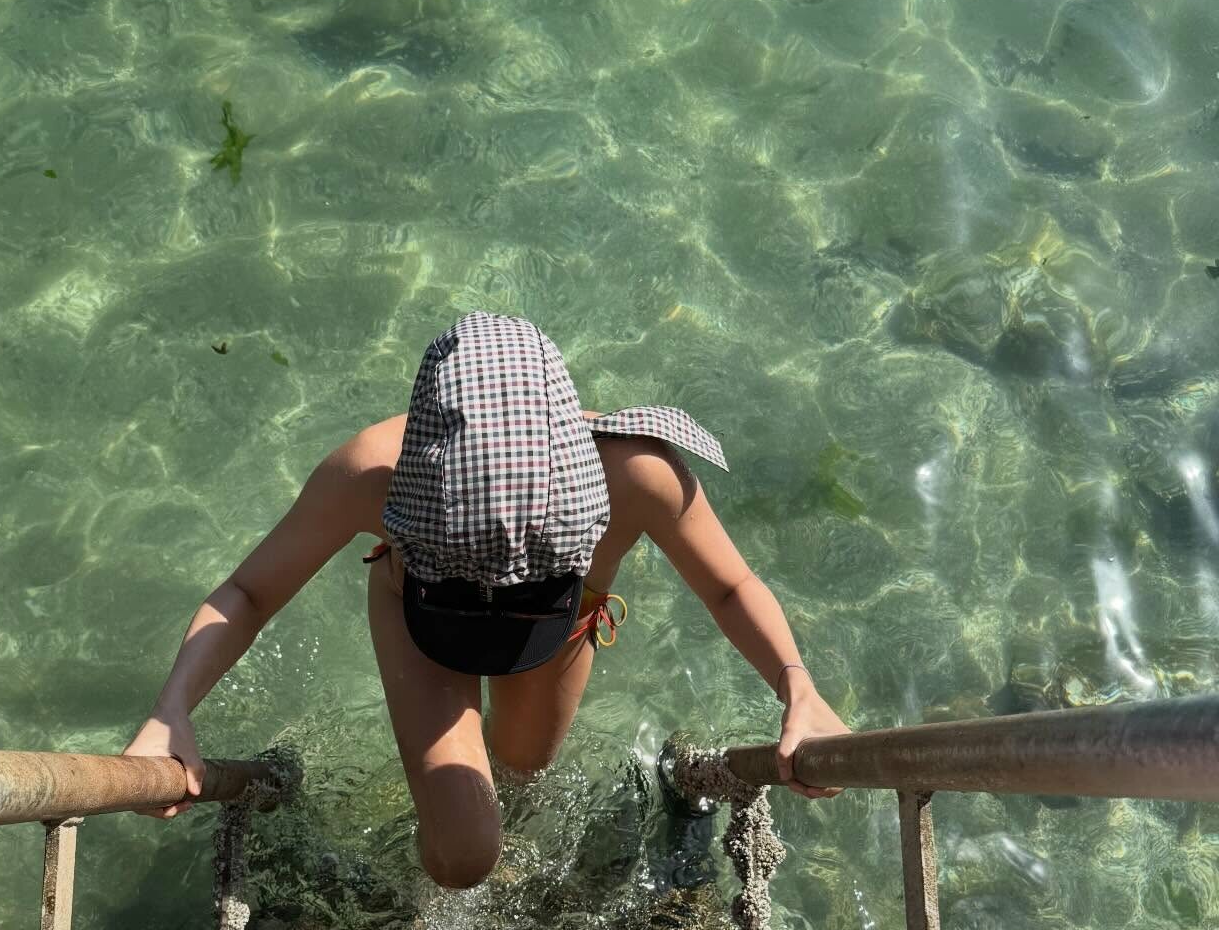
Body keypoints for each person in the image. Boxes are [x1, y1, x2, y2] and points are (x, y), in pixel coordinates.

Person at [123, 310, 849, 887]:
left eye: (530, 576)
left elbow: (729, 585)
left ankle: (485, 761)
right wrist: (170, 710)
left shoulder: (634, 474)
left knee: (524, 771)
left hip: (558, 623)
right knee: (465, 854)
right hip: (422, 615)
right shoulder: (372, 473)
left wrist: (798, 687)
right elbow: (249, 592)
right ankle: (430, 842)